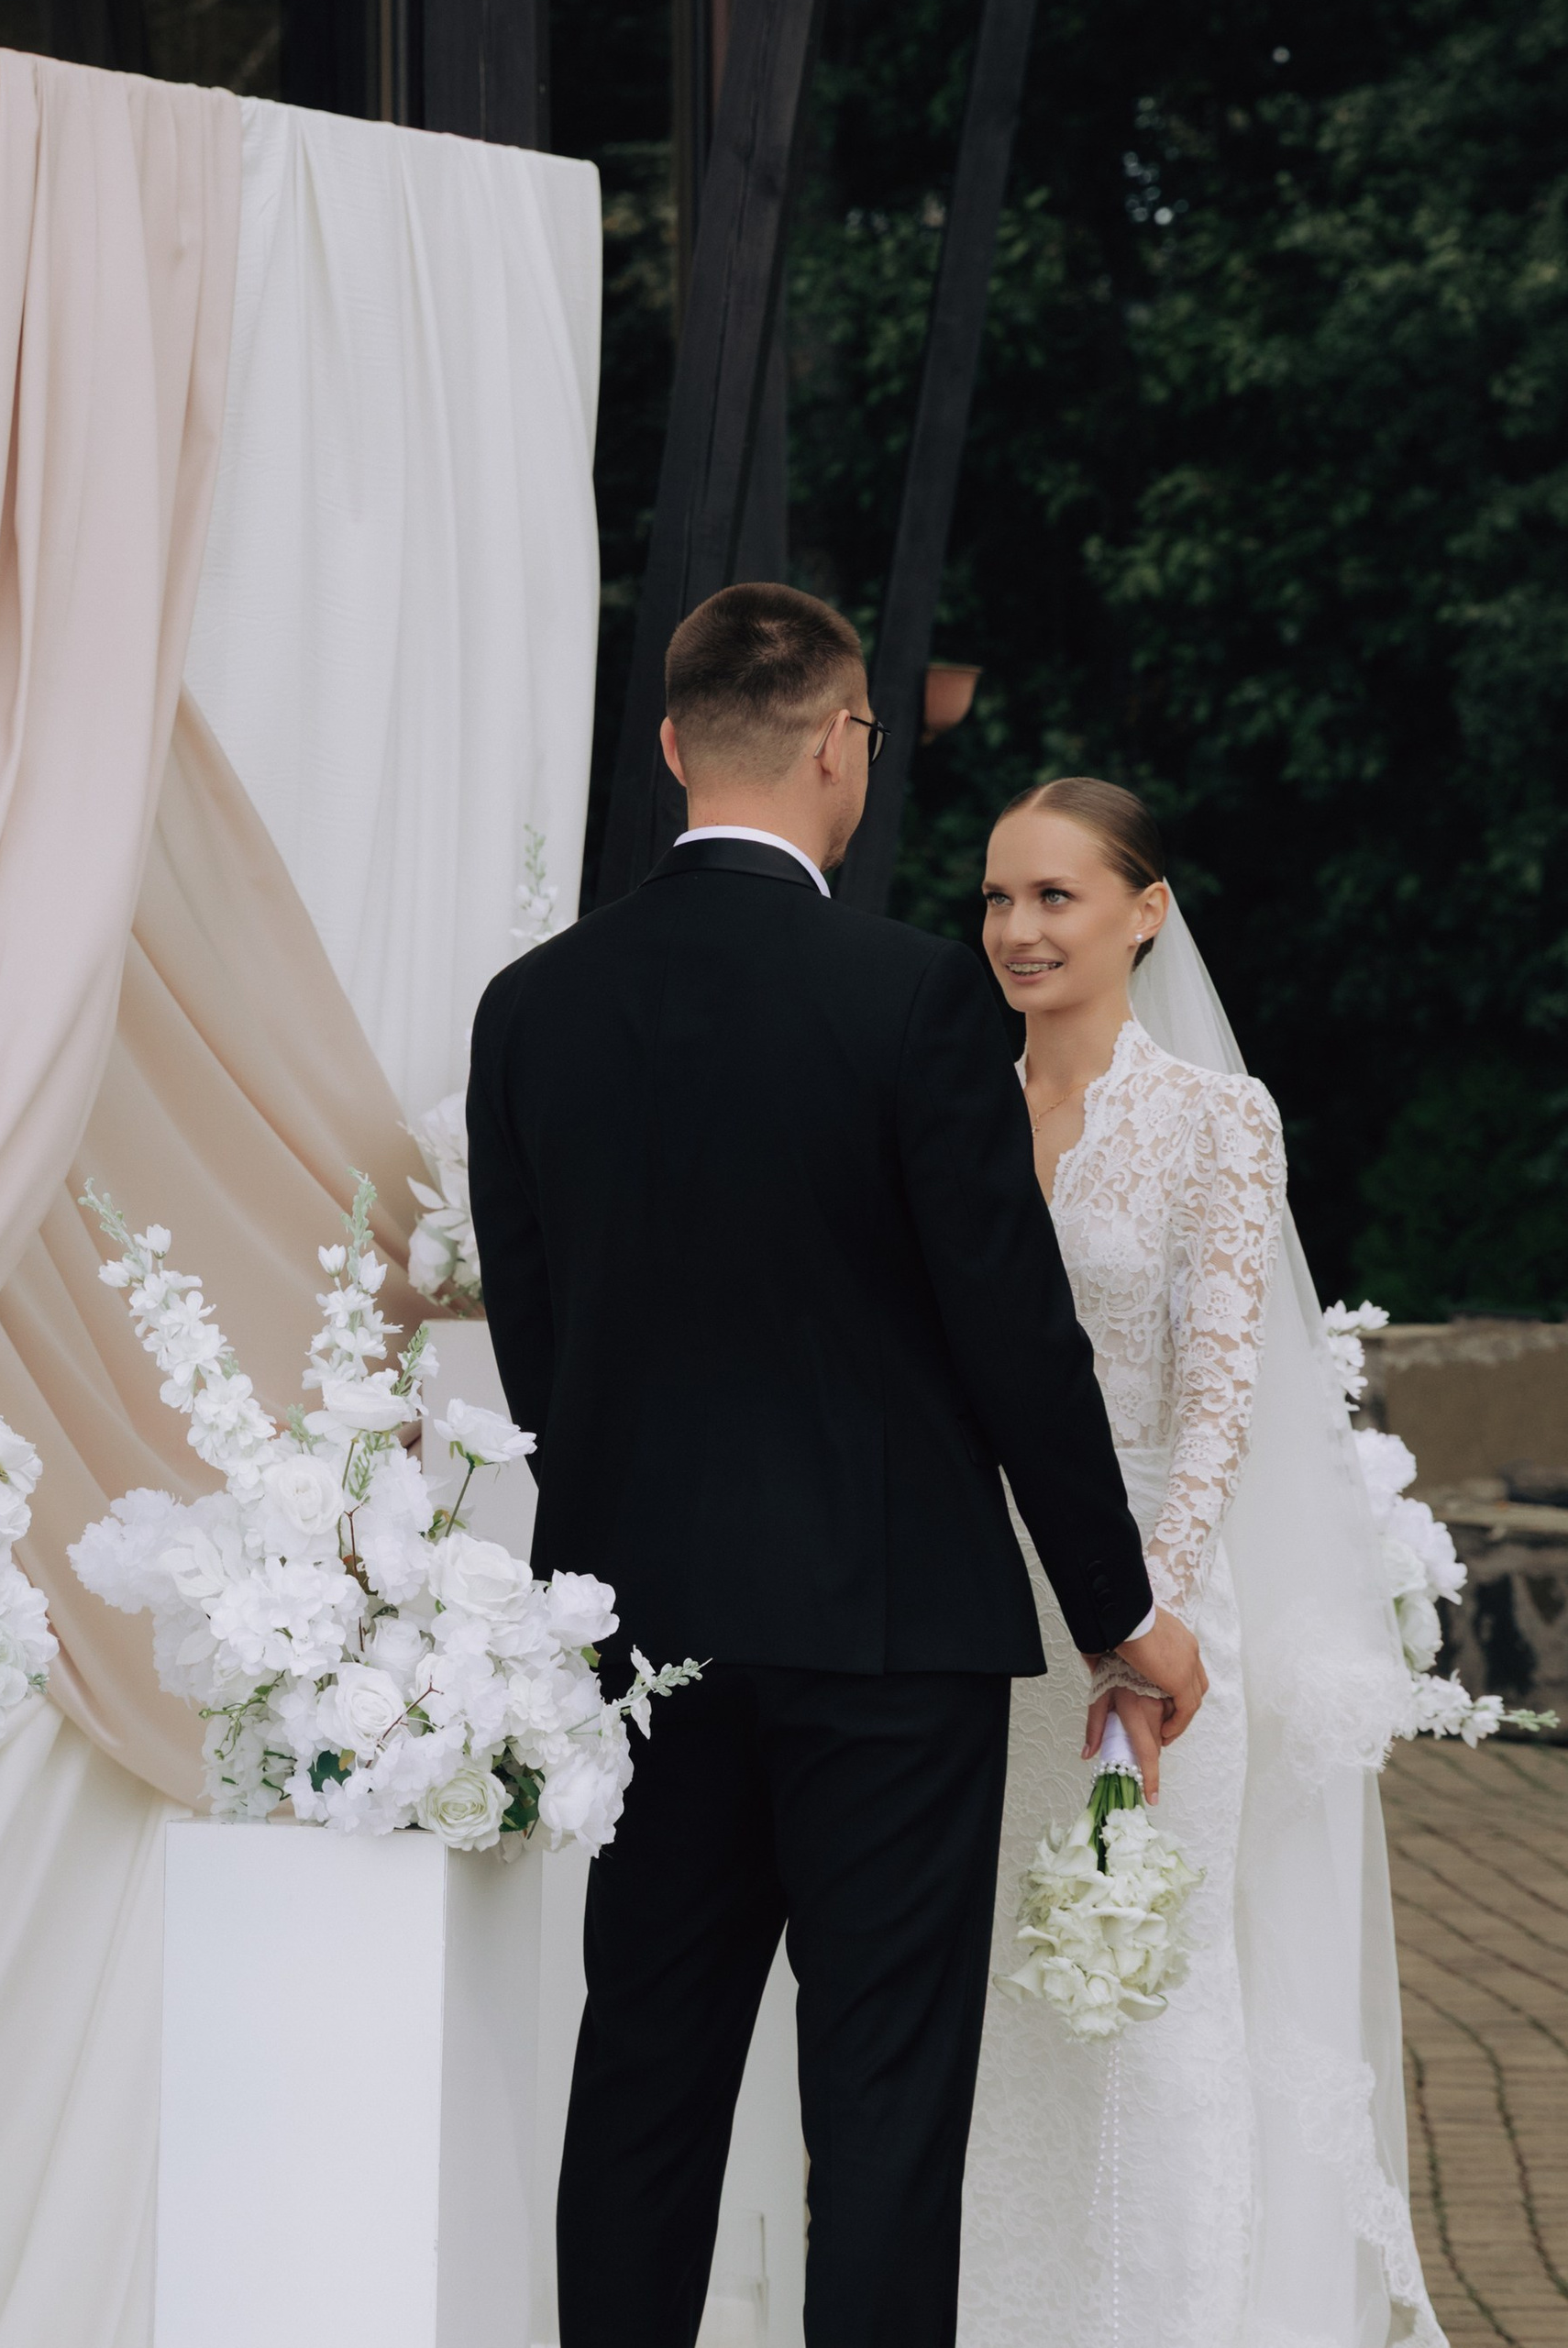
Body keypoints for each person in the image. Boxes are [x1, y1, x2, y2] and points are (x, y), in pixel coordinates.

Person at [465, 581, 1205, 2348]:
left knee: (643, 2082)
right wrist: (1124, 1612)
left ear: (668, 745)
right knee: (881, 2112)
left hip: (650, 1641)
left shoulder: (531, 1009)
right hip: (890, 1642)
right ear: (840, 742)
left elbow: (540, 1353)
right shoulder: (914, 1002)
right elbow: (1015, 1338)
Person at [959, 778, 1442, 2346]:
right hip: (973, 1603)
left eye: (1055, 898)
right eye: (996, 901)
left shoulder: (1214, 1118)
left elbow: (1223, 1382)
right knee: (1002, 1996)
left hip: (1154, 1615)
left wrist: (1141, 1630)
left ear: (1145, 911)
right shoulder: (953, 1094)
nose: (1019, 931)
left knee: (1146, 1981)